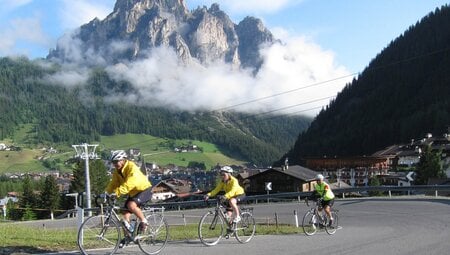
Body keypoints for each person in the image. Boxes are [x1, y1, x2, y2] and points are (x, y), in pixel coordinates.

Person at [106, 150, 152, 246]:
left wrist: (117, 192)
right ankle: (128, 237)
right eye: (113, 162)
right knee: (125, 216)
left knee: (131, 205)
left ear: (122, 160)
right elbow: (113, 184)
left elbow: (130, 183)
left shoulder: (131, 167)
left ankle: (144, 221)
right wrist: (106, 192)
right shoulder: (117, 172)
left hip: (144, 189)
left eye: (116, 162)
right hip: (133, 193)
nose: (114, 164)